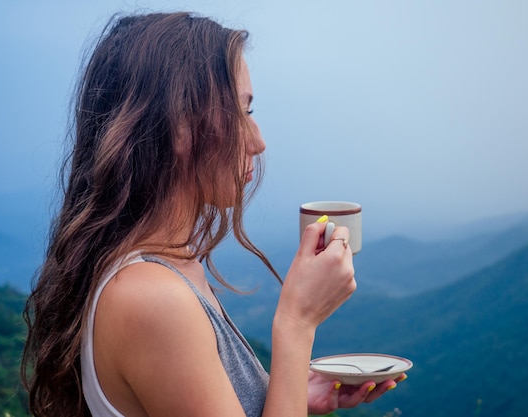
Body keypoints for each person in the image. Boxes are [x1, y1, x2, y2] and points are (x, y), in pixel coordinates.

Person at [21, 11, 406, 417]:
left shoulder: (170, 267)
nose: (257, 142)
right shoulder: (151, 297)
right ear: (179, 128)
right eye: (241, 112)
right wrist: (297, 324)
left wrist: (287, 393)